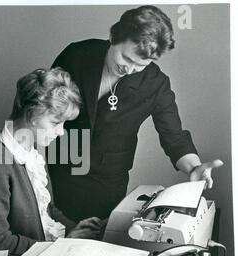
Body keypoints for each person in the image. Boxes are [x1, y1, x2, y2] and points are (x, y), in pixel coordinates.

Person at [48, 5, 223, 223]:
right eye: (126, 58)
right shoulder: (76, 55)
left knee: (95, 240)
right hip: (60, 166)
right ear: (114, 37)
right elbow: (46, 105)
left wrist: (195, 168)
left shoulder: (156, 84)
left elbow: (175, 138)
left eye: (140, 65)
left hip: (107, 181)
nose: (129, 70)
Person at [0, 68, 104, 256]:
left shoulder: (34, 152)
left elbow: (48, 211)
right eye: (56, 122)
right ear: (32, 115)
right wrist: (60, 246)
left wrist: (76, 229)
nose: (61, 132)